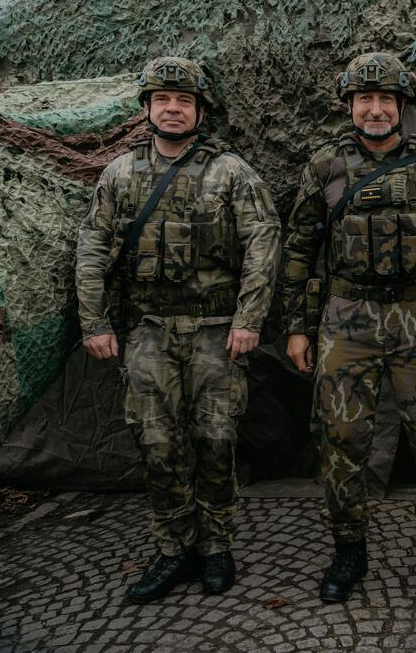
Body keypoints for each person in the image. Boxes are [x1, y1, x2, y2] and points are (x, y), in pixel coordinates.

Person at [281, 52, 416, 609]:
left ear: (401, 107)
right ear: (350, 105)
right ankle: (349, 548)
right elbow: (300, 249)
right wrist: (296, 328)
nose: (375, 110)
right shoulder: (326, 167)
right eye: (365, 100)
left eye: (386, 100)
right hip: (346, 319)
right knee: (341, 439)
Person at [75, 56, 281, 603]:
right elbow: (93, 245)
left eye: (183, 100)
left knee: (216, 439)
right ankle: (173, 548)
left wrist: (248, 319)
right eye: (162, 99)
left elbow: (263, 242)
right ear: (147, 108)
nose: (172, 108)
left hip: (217, 329)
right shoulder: (119, 174)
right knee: (156, 442)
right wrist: (93, 321)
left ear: (199, 111)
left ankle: (216, 546)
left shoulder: (231, 172)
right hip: (149, 330)